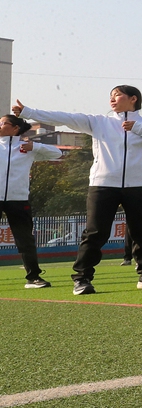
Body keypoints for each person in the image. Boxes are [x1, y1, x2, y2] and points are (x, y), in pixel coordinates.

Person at [13, 87, 142, 295]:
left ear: (133, 98)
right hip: (103, 184)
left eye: (117, 95)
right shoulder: (100, 122)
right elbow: (65, 117)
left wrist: (139, 129)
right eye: (110, 96)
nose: (112, 99)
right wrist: (28, 112)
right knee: (95, 233)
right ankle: (82, 278)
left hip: (139, 185)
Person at [0, 114, 62, 288]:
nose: (0, 125)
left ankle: (33, 277)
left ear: (15, 129)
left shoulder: (26, 147)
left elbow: (57, 153)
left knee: (25, 240)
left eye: (3, 123)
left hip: (18, 199)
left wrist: (34, 145)